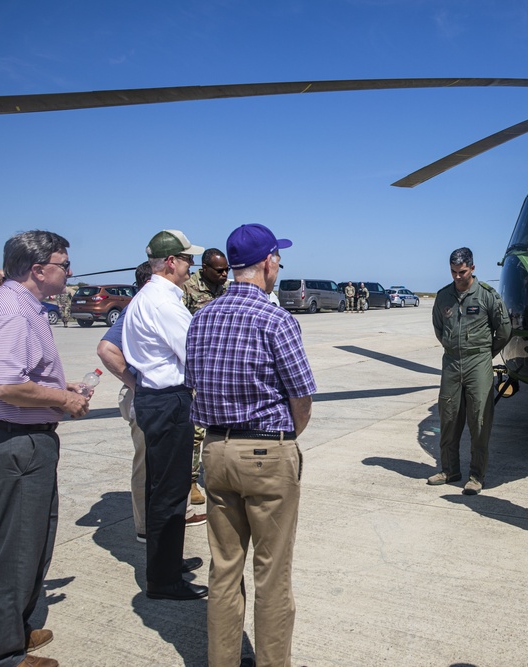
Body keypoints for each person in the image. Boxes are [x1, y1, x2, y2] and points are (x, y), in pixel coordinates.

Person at [186, 223, 315, 667]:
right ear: (267, 263)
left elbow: (193, 385)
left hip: (217, 452)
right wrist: (285, 441)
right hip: (266, 453)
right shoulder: (277, 319)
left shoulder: (201, 317)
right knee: (272, 575)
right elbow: (301, 398)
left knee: (223, 571)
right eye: (277, 258)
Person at [0, 231, 90, 667]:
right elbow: (3, 384)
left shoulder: (16, 306)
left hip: (18, 442)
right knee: (17, 553)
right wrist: (63, 399)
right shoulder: (13, 312)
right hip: (13, 444)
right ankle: (0, 656)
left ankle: (13, 630)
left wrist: (59, 383)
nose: (69, 270)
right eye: (64, 263)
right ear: (38, 269)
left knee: (30, 545)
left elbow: (20, 372)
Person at [122, 229, 208, 601]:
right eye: (188, 259)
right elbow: (194, 356)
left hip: (155, 399)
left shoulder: (147, 297)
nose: (192, 266)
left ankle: (167, 563)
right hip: (168, 401)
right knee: (170, 493)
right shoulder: (165, 303)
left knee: (163, 489)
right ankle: (164, 579)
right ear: (171, 262)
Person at [428, 247, 511, 495]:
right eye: (453, 272)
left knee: (479, 420)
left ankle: (476, 476)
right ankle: (450, 470)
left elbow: (505, 331)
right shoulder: (443, 297)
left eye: (462, 272)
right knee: (449, 418)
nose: (457, 277)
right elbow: (439, 329)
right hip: (452, 363)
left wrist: (484, 354)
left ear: (472, 268)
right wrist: (455, 349)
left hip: (479, 363)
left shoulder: (487, 296)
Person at [182, 247, 230, 506]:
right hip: (197, 368)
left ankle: (217, 476)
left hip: (221, 368)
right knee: (197, 430)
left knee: (221, 424)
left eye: (227, 270)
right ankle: (190, 481)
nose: (224, 274)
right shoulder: (188, 289)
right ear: (204, 268)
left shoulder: (227, 290)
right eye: (219, 270)